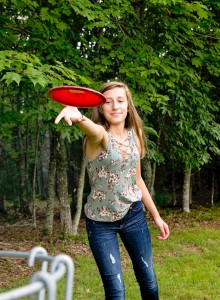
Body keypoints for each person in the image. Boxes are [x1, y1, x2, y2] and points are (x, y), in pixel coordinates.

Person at [55, 81, 170, 300]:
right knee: (116, 291)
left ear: (128, 105)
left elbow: (137, 179)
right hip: (100, 224)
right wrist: (79, 117)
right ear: (100, 107)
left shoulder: (134, 134)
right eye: (108, 102)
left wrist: (156, 216)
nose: (115, 106)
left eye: (120, 100)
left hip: (133, 215)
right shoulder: (98, 137)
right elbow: (94, 129)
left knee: (149, 280)